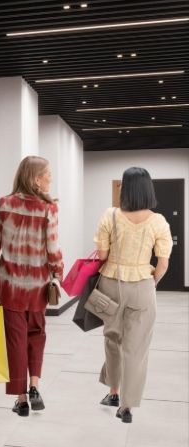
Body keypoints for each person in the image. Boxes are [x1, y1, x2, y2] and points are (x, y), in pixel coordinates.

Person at [0, 156, 63, 416]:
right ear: (36, 179)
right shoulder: (49, 208)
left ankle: (22, 399)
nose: (50, 178)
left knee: (15, 341)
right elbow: (53, 249)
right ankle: (34, 385)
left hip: (10, 287)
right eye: (48, 174)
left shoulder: (4, 204)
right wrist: (58, 273)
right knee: (37, 334)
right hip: (38, 286)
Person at [94, 167, 172, 423]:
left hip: (111, 284)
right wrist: (152, 282)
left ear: (124, 188)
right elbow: (162, 263)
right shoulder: (158, 221)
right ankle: (126, 407)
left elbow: (102, 255)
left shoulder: (110, 215)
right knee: (136, 348)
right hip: (142, 287)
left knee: (112, 339)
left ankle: (113, 392)